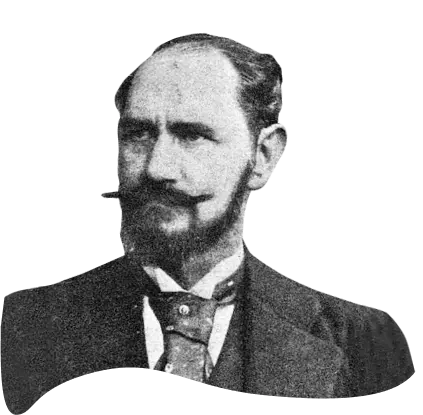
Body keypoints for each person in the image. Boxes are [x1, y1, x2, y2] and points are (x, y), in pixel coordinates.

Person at [0, 34, 413, 412]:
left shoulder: (364, 341)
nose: (158, 167)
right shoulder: (19, 328)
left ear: (264, 156)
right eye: (138, 134)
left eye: (192, 135)